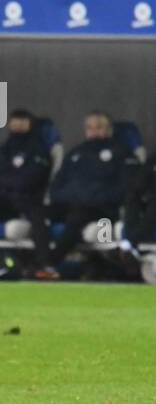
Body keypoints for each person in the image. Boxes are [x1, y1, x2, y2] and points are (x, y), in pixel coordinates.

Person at [31, 111, 138, 280]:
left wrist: (92, 198)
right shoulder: (76, 154)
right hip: (70, 204)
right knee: (38, 213)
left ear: (109, 129)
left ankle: (50, 263)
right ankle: (44, 262)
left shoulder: (122, 154)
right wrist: (69, 197)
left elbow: (126, 188)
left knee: (77, 217)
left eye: (99, 127)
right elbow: (57, 185)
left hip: (101, 209)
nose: (94, 131)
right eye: (90, 127)